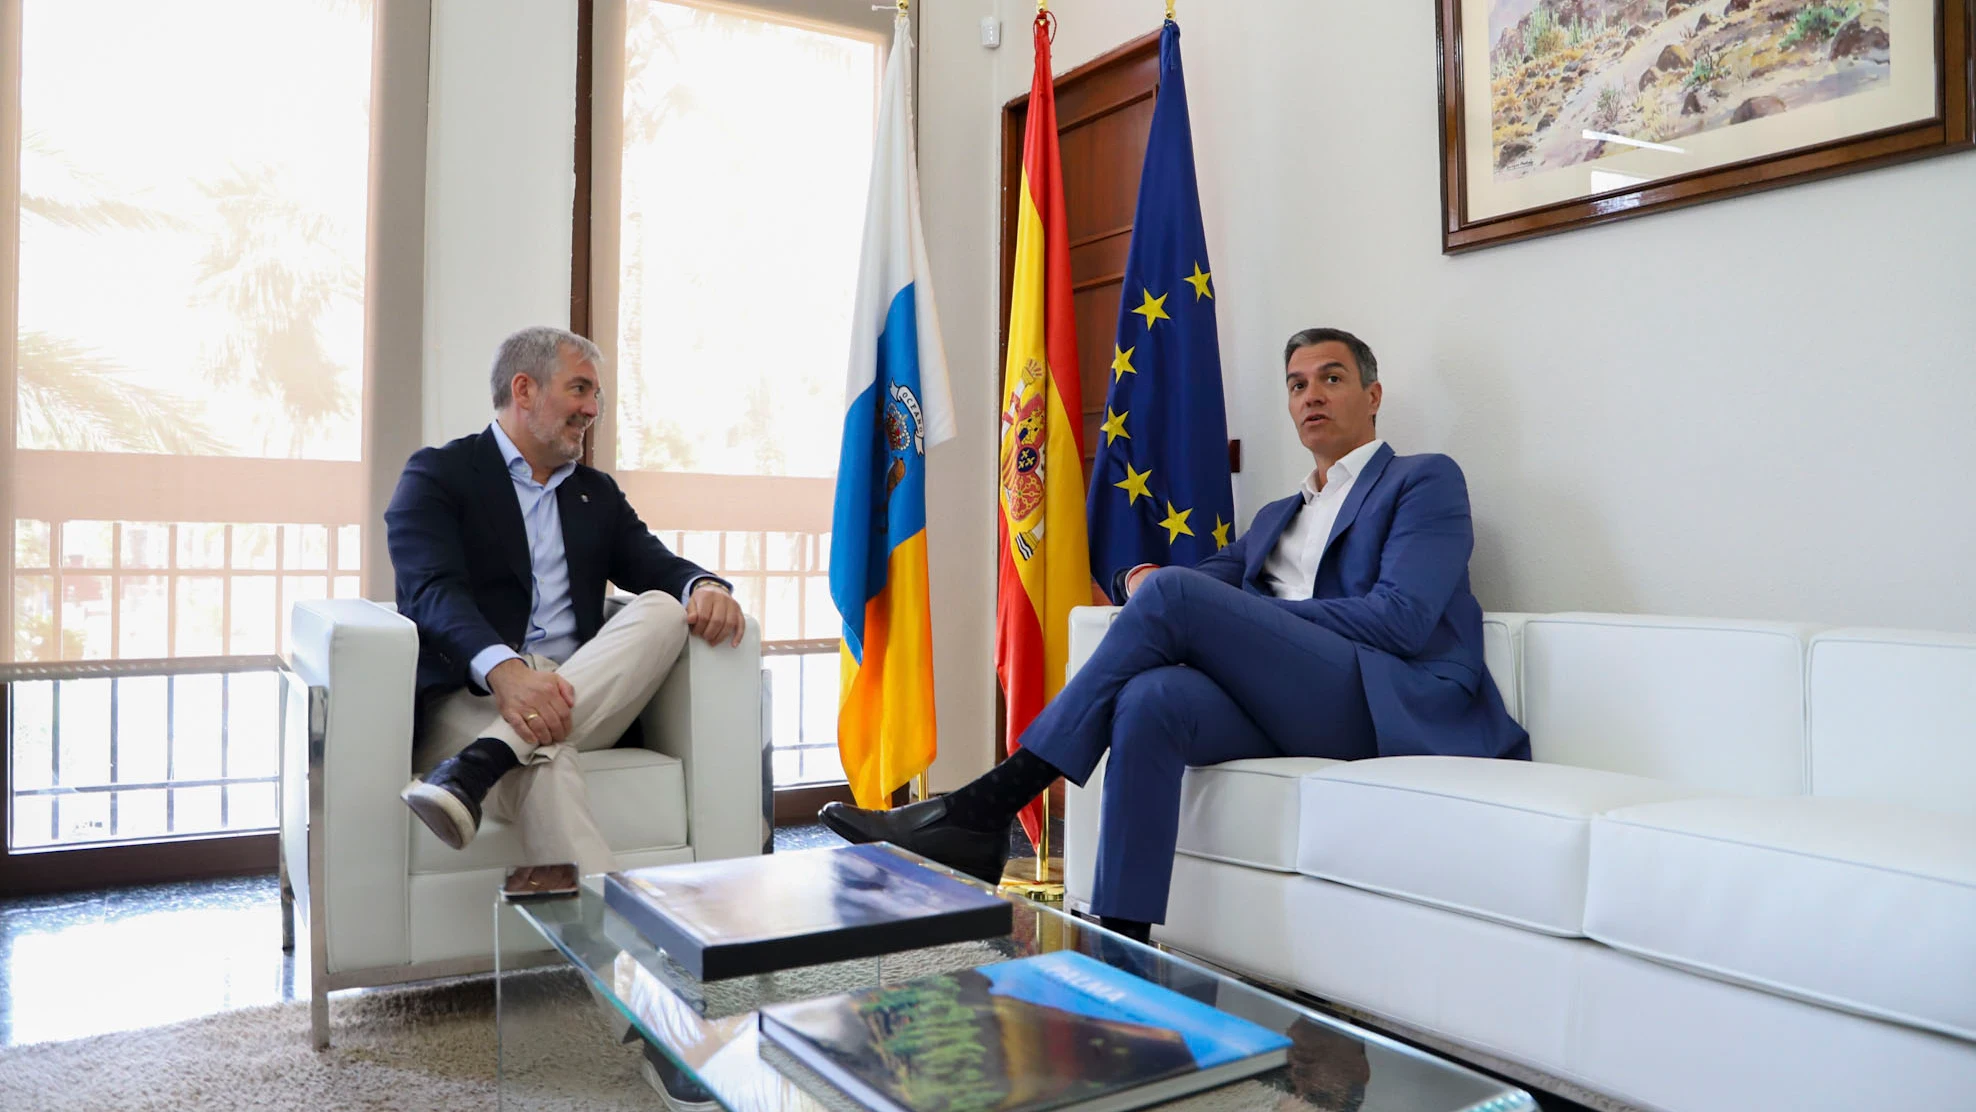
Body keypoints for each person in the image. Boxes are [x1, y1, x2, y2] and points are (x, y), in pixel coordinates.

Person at [822, 327, 1528, 943]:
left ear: (1373, 396)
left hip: (1380, 699)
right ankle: (1122, 946)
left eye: (1332, 379)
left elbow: (1400, 619)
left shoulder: (1423, 481)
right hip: (1288, 703)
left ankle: (985, 805)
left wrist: (1244, 619)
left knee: (1174, 600)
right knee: (1152, 701)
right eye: (1297, 384)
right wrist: (1134, 576)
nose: (1311, 395)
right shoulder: (1281, 512)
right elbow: (1200, 580)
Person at [388, 326, 745, 877]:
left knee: (663, 607)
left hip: (580, 685)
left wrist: (704, 585)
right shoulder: (438, 475)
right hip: (468, 697)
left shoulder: (594, 494)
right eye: (580, 390)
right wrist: (504, 670)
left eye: (596, 395)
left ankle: (482, 762)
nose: (592, 408)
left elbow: (655, 564)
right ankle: (623, 949)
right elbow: (432, 592)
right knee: (545, 762)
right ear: (524, 389)